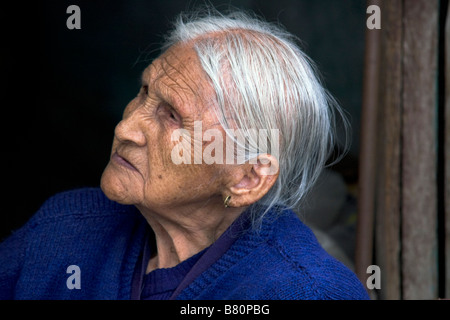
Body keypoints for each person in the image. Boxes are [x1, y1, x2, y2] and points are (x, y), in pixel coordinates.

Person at [0, 8, 369, 300]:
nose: (125, 129)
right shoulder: (63, 229)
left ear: (247, 178)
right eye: (145, 92)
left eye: (173, 117)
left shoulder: (305, 291)